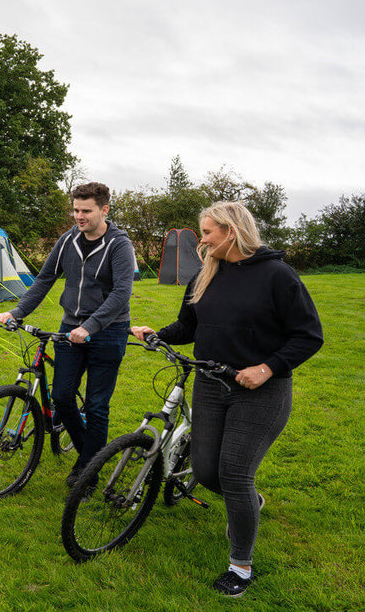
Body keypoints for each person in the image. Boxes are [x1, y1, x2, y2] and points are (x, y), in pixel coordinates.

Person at [131, 201, 322, 598]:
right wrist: (158, 335)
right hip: (210, 385)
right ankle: (249, 502)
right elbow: (190, 325)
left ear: (230, 232)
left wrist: (267, 367)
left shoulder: (278, 276)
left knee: (234, 473)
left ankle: (241, 565)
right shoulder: (206, 274)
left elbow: (309, 334)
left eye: (206, 233)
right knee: (204, 471)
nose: (201, 241)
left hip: (259, 392)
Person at [0, 182, 135, 485]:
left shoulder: (119, 244)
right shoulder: (67, 240)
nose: (79, 216)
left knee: (97, 406)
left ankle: (86, 472)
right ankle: (92, 455)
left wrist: (91, 326)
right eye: (75, 210)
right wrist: (18, 312)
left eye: (86, 210)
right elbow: (45, 278)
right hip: (71, 327)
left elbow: (122, 292)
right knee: (61, 396)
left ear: (104, 210)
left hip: (109, 332)